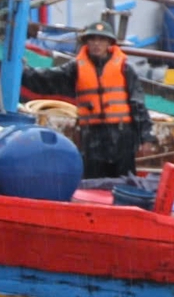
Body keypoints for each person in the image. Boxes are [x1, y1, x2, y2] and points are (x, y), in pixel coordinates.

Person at [22, 21, 153, 179]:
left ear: (109, 43)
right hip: (93, 138)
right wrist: (22, 71)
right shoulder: (76, 68)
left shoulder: (125, 68)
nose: (97, 44)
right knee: (92, 183)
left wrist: (145, 137)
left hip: (122, 137)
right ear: (86, 42)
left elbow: (137, 104)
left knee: (123, 182)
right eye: (92, 39)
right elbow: (46, 81)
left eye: (101, 40)